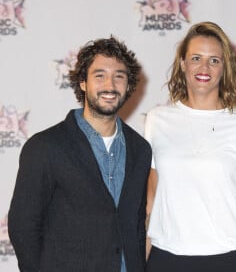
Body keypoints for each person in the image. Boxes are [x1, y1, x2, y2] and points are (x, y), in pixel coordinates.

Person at [144, 21, 236, 272]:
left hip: (226, 261)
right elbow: (152, 201)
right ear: (183, 63)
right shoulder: (157, 120)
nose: (204, 67)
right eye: (196, 57)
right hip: (165, 260)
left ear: (224, 68)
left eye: (214, 60)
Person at [8, 36, 152, 272]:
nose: (110, 85)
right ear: (83, 82)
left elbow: (136, 225)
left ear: (128, 85)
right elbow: (23, 226)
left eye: (119, 76)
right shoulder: (45, 147)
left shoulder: (140, 149)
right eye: (100, 75)